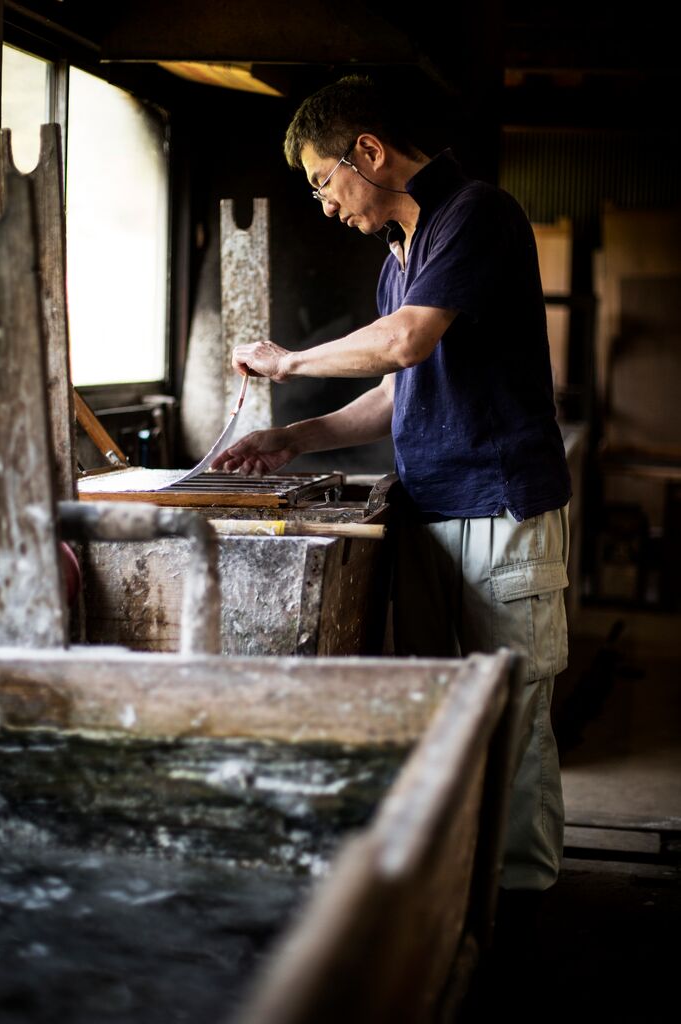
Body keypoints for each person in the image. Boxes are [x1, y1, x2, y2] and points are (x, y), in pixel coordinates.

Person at [211, 74, 572, 903]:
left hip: (498, 509)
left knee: (511, 715)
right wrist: (291, 437)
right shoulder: (397, 261)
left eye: (323, 182)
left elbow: (406, 343)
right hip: (428, 507)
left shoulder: (475, 215)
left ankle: (520, 903)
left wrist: (288, 362)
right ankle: (456, 901)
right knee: (442, 715)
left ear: (367, 152)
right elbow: (394, 391)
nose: (325, 206)